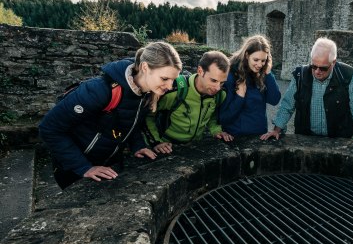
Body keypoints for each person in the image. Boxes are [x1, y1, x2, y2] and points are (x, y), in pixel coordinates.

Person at [39, 41, 182, 189]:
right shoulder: (99, 90)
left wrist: (137, 145)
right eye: (165, 79)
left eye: (173, 80)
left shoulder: (147, 91)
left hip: (109, 166)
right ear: (145, 67)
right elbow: (49, 127)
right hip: (75, 171)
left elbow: (130, 121)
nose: (170, 86)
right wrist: (84, 167)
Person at [261, 37, 353, 151]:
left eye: (323, 68)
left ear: (334, 62)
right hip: (305, 139)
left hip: (338, 141)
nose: (317, 71)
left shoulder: (347, 75)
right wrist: (277, 129)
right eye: (314, 66)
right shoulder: (300, 75)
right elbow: (287, 105)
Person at [144, 50, 233, 154]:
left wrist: (216, 131)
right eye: (213, 80)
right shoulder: (174, 90)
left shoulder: (220, 95)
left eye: (222, 82)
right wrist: (156, 142)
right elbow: (147, 116)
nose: (218, 88)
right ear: (200, 71)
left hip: (196, 148)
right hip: (168, 148)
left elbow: (212, 116)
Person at [219, 35, 281, 136]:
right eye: (256, 60)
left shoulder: (262, 73)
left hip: (260, 135)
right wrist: (239, 97)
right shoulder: (231, 76)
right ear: (247, 55)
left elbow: (274, 100)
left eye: (263, 60)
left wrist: (269, 73)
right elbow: (224, 117)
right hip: (237, 137)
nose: (260, 65)